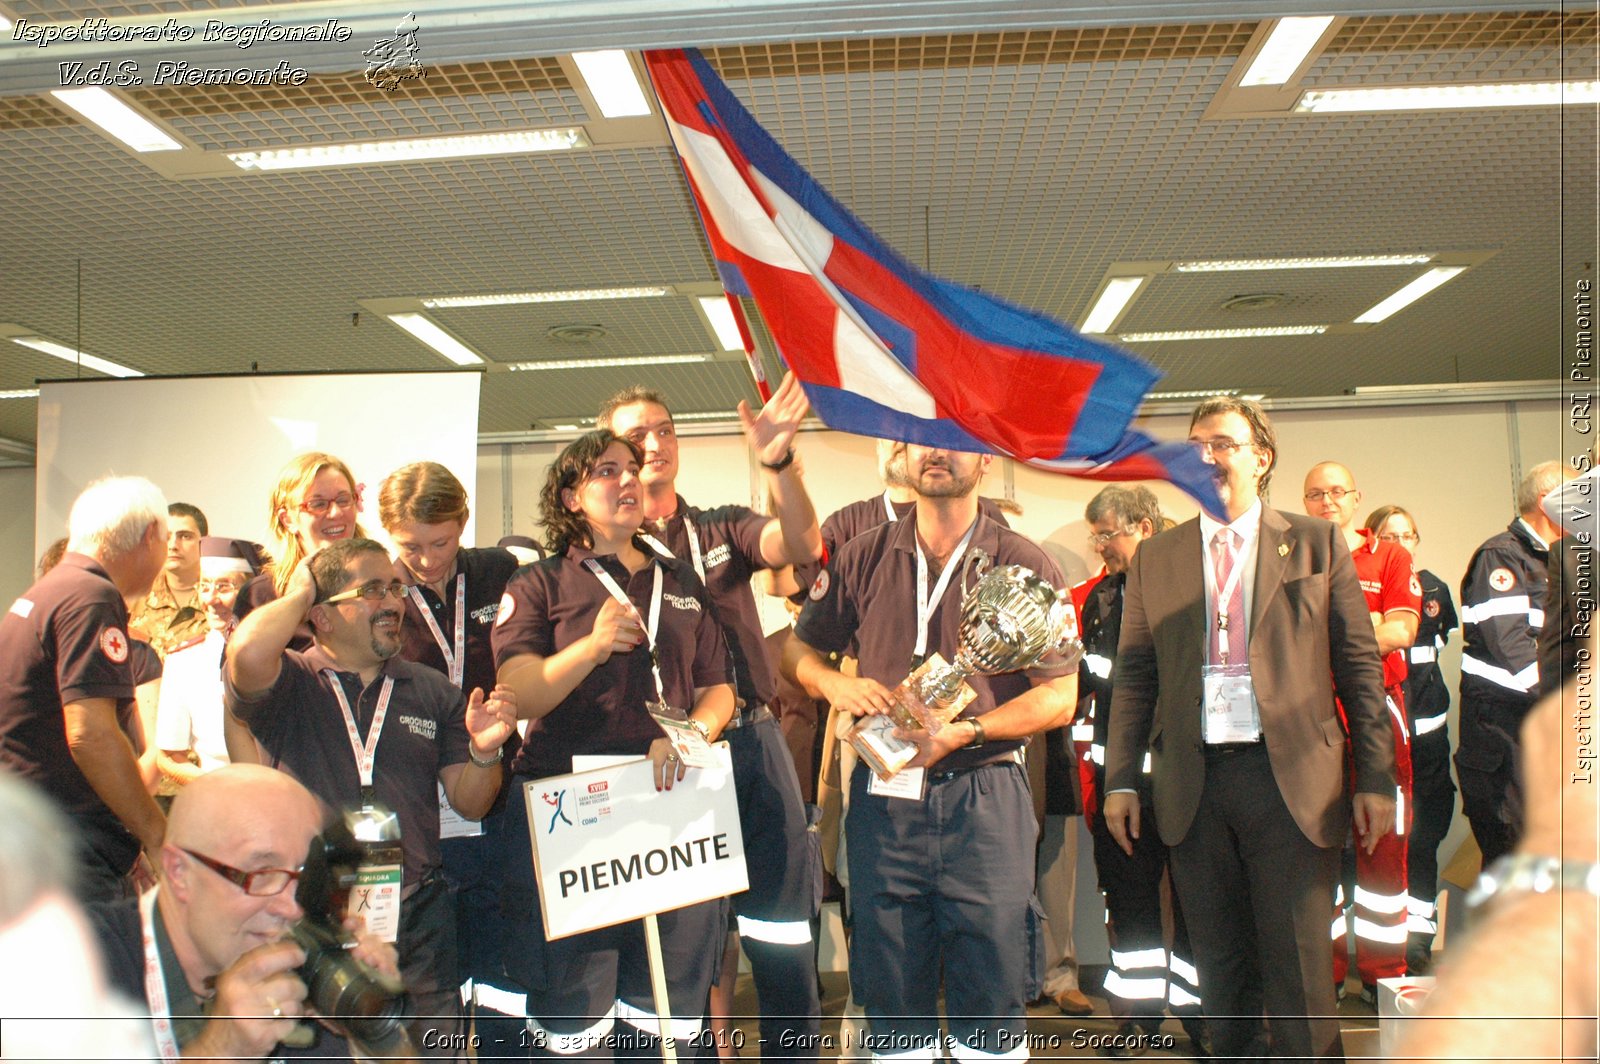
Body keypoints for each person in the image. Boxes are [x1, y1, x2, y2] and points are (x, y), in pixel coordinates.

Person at [1102, 397, 1395, 1061]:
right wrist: (1120, 779)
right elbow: (1136, 679)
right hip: (1194, 785)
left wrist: (1375, 775)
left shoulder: (1316, 544)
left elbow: (1358, 667)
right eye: (1196, 445)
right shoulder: (1158, 557)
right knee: (1219, 975)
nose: (1208, 457)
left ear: (1261, 459)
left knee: (1298, 974)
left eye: (1224, 444)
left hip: (1290, 782)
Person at [783, 443, 1079, 1061]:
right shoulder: (863, 554)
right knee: (892, 1003)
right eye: (922, 437)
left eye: (954, 438)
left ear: (987, 461)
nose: (936, 452)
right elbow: (797, 653)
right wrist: (837, 684)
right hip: (885, 795)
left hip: (985, 792)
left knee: (991, 996)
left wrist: (968, 732)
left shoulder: (1025, 563)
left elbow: (1060, 696)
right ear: (903, 455)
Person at [599, 376, 824, 1061]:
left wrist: (779, 464)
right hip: (666, 755)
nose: (654, 443)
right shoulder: (603, 554)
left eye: (664, 428)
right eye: (635, 434)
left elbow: (801, 544)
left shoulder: (720, 526)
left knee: (783, 931)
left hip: (752, 740)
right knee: (682, 946)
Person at [493, 430, 736, 1058]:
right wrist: (591, 646)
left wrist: (691, 738)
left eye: (632, 469)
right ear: (572, 497)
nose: (628, 480)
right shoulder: (538, 584)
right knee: (576, 1005)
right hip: (575, 813)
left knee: (666, 1004)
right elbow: (518, 691)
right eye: (606, 472)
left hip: (670, 800)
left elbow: (719, 690)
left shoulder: (679, 576)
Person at [224, 536, 517, 1056]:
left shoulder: (433, 691)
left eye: (396, 588)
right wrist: (303, 590)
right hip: (309, 916)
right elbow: (245, 652)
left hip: (417, 915)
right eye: (373, 590)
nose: (393, 602)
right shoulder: (289, 682)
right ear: (323, 616)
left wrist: (485, 753)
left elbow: (471, 802)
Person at [87, 763, 404, 1061]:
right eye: (263, 874)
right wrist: (221, 1052)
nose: (293, 907)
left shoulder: (305, 967)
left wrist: (373, 1033)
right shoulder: (77, 962)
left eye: (308, 875)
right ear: (179, 872)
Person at [377, 460, 526, 1046]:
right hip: (421, 802)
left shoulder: (498, 571)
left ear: (463, 523)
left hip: (502, 791)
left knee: (501, 966)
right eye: (410, 545)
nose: (428, 559)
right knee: (435, 976)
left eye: (441, 542)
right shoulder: (382, 596)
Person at [1073, 485, 1207, 1056]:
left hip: (1189, 781)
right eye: (1096, 535)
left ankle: (1207, 1023)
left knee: (1201, 903)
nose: (1102, 546)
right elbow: (1089, 698)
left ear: (1146, 529)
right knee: (1129, 906)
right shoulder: (1098, 601)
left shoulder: (1196, 591)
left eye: (1111, 534)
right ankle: (1136, 1020)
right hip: (1121, 787)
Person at [0, 475, 170, 903]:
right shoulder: (91, 596)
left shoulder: (48, 592)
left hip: (35, 832)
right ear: (151, 536)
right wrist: (155, 834)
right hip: (64, 844)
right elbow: (90, 734)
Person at [1302, 462, 1420, 1003]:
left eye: (1337, 492)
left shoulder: (1390, 556)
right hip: (1309, 717)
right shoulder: (1295, 556)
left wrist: (1329, 634)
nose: (1327, 501)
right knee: (1313, 845)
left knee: (1383, 845)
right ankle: (1321, 974)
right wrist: (1360, 627)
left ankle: (1382, 976)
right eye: (1315, 494)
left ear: (1356, 497)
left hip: (1375, 710)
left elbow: (1400, 629)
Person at [1363, 504, 1458, 973]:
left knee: (1424, 839)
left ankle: (1418, 938)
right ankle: (1377, 950)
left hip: (1430, 743)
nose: (1401, 542)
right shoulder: (1369, 587)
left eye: (1408, 533)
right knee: (1379, 845)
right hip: (1386, 736)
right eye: (1390, 534)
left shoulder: (1436, 589)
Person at [1456, 460, 1566, 864]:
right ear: (1549, 501)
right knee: (1516, 863)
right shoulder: (1502, 556)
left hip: (1540, 736)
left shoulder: (1559, 559)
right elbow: (1512, 647)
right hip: (1505, 739)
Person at [153, 537, 261, 788]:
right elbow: (169, 756)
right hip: (216, 798)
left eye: (224, 587)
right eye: (204, 586)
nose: (211, 599)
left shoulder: (284, 656)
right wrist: (220, 784)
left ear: (251, 592)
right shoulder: (183, 661)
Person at [234, 452, 366, 651]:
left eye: (343, 500)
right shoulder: (261, 595)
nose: (336, 513)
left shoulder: (382, 583)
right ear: (288, 520)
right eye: (318, 504)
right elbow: (240, 673)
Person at [129, 501, 210, 659]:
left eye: (185, 536)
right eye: (166, 536)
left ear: (205, 542)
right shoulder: (134, 596)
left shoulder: (219, 598)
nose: (173, 545)